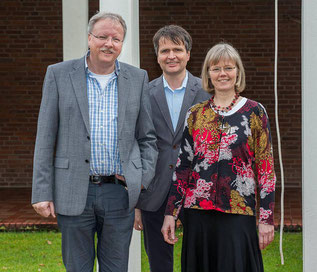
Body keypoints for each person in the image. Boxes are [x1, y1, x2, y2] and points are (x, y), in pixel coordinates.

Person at [31, 11, 157, 272]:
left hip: (119, 193)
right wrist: (42, 191)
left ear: (122, 44)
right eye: (102, 37)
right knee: (78, 267)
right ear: (89, 38)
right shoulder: (58, 74)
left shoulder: (138, 78)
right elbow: (45, 137)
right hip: (74, 190)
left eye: (116, 39)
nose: (109, 43)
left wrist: (141, 177)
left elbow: (147, 138)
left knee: (115, 267)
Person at [161, 42, 276, 272]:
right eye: (215, 68)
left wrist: (266, 219)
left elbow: (265, 169)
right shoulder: (195, 114)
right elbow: (183, 166)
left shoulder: (255, 112)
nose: (222, 73)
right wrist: (170, 214)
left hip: (238, 211)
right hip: (198, 214)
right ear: (208, 75)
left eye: (228, 68)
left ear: (237, 72)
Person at [135, 25, 210, 272]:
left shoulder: (207, 91)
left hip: (198, 188)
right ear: (157, 56)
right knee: (159, 262)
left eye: (177, 49)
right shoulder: (144, 93)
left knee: (201, 259)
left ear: (188, 54)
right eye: (165, 50)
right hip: (155, 189)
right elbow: (136, 144)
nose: (171, 56)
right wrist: (137, 202)